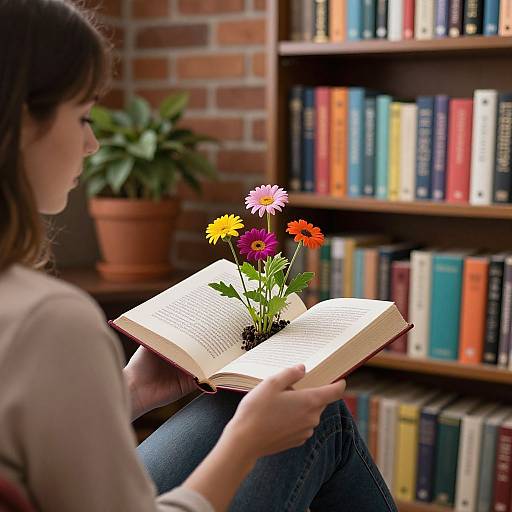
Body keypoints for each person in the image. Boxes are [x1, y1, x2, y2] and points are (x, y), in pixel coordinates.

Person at [0, 1, 398, 511]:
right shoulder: (47, 320)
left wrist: (134, 391)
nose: (93, 143)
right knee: (319, 419)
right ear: (18, 122)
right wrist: (245, 445)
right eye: (82, 116)